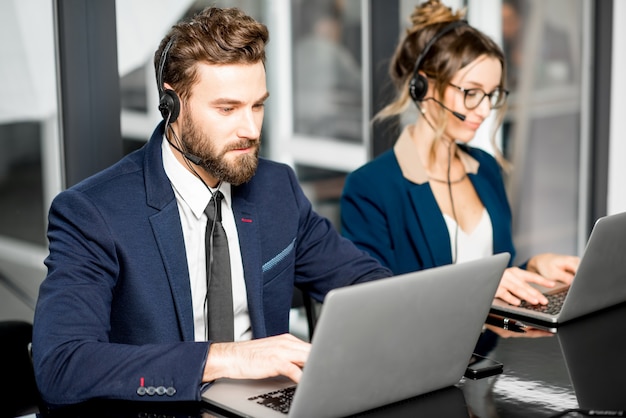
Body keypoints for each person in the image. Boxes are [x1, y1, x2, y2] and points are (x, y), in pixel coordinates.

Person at [32, 6, 391, 408]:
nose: (251, 130)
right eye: (227, 109)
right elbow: (61, 364)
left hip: (269, 406)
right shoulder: (92, 213)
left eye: (257, 106)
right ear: (172, 105)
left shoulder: (276, 189)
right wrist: (227, 358)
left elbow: (364, 284)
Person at [340, 0, 579, 308]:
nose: (483, 110)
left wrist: (531, 269)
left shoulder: (486, 168)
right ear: (423, 87)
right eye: (471, 92)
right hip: (423, 353)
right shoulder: (371, 186)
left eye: (491, 94)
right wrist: (481, 287)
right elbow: (376, 302)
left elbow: (496, 279)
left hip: (492, 347)